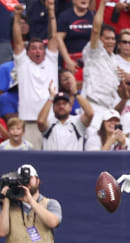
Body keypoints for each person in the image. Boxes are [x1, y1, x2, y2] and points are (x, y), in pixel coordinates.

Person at [12, 1, 59, 150]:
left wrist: (51, 12)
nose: (37, 51)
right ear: (28, 52)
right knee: (31, 162)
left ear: (44, 51)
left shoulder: (51, 60)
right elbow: (18, 41)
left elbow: (53, 38)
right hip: (29, 121)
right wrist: (17, 16)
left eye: (40, 48)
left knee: (52, 162)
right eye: (33, 48)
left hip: (51, 120)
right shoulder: (23, 63)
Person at [81, 0, 120, 133]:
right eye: (107, 38)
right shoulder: (95, 51)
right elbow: (96, 28)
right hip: (92, 106)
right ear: (100, 39)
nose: (111, 41)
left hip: (109, 108)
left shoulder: (115, 60)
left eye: (113, 39)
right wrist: (102, 3)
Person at [37, 84, 94, 151]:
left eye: (64, 103)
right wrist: (51, 97)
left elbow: (90, 113)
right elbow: (40, 121)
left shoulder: (77, 121)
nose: (61, 106)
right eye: (58, 104)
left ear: (70, 107)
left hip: (74, 161)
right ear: (53, 107)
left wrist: (76, 93)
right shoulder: (49, 121)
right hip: (51, 161)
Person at [56, 0, 93, 76]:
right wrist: (68, 61)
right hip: (71, 59)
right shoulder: (64, 16)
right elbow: (59, 39)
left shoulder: (94, 16)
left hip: (90, 61)